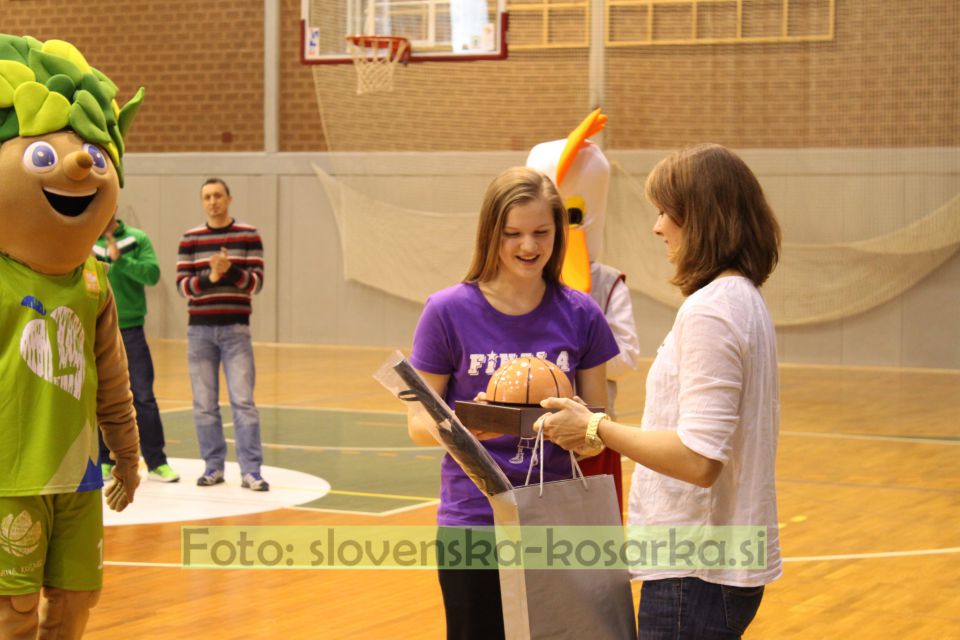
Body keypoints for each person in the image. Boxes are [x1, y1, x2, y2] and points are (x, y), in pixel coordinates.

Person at [537, 143, 783, 639]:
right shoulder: (741, 299)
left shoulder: (712, 309)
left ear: (704, 220)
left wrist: (594, 427)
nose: (657, 226)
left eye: (667, 212)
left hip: (695, 566)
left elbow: (698, 460)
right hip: (712, 562)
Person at [406, 166, 619, 640]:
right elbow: (417, 421)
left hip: (556, 515)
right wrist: (462, 431)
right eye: (513, 234)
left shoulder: (582, 313)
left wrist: (582, 430)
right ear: (490, 234)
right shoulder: (446, 311)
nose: (529, 246)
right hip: (475, 518)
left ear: (558, 234)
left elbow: (598, 426)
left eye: (541, 232)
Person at [0, 34, 143, 638]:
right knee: (14, 613)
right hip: (9, 476)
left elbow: (112, 377)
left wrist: (129, 456)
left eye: (97, 154)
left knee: (75, 605)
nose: (82, 165)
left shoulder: (94, 280)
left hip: (80, 475)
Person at [176, 178, 268, 491]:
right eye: (207, 197)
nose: (213, 201)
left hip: (236, 329)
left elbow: (255, 283)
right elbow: (183, 287)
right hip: (199, 331)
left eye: (218, 195)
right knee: (204, 403)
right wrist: (212, 275)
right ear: (202, 202)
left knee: (243, 402)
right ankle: (213, 467)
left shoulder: (248, 235)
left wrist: (229, 271)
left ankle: (251, 471)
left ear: (229, 198)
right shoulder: (190, 238)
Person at [94, 215, 180, 483]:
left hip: (131, 330)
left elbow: (152, 275)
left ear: (114, 206)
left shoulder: (137, 239)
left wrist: (122, 259)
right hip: (96, 329)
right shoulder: (86, 238)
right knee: (99, 397)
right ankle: (105, 460)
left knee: (143, 397)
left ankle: (157, 461)